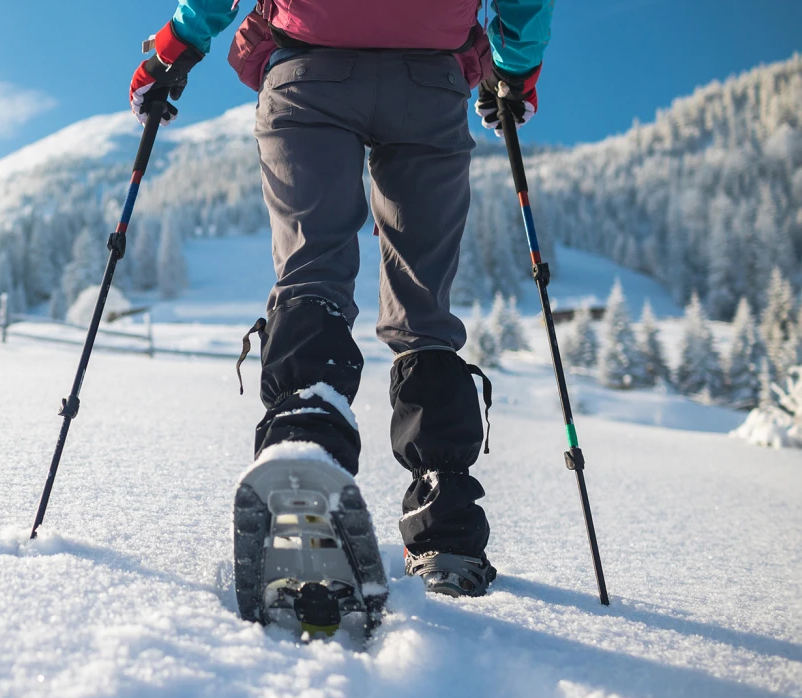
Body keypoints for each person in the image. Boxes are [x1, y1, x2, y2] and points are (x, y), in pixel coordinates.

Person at [129, 0, 552, 598]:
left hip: (309, 70)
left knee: (312, 276)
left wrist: (176, 43)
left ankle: (306, 454)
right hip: (428, 80)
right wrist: (512, 70)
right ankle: (445, 525)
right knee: (423, 309)